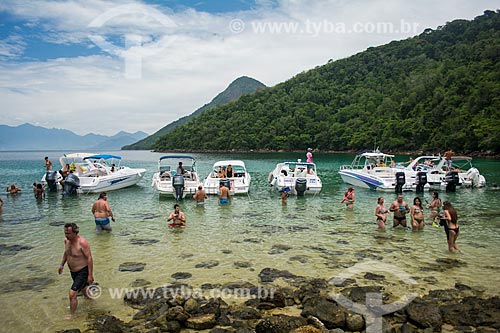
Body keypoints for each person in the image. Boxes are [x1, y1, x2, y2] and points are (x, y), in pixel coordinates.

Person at [58, 223, 94, 315]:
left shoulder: (82, 243)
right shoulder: (66, 241)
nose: (66, 235)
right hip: (73, 272)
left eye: (68, 233)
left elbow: (89, 258)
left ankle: (72, 315)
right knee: (84, 289)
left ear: (75, 232)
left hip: (82, 271)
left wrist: (90, 275)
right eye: (65, 233)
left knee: (72, 293)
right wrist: (62, 264)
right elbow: (66, 253)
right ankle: (93, 304)